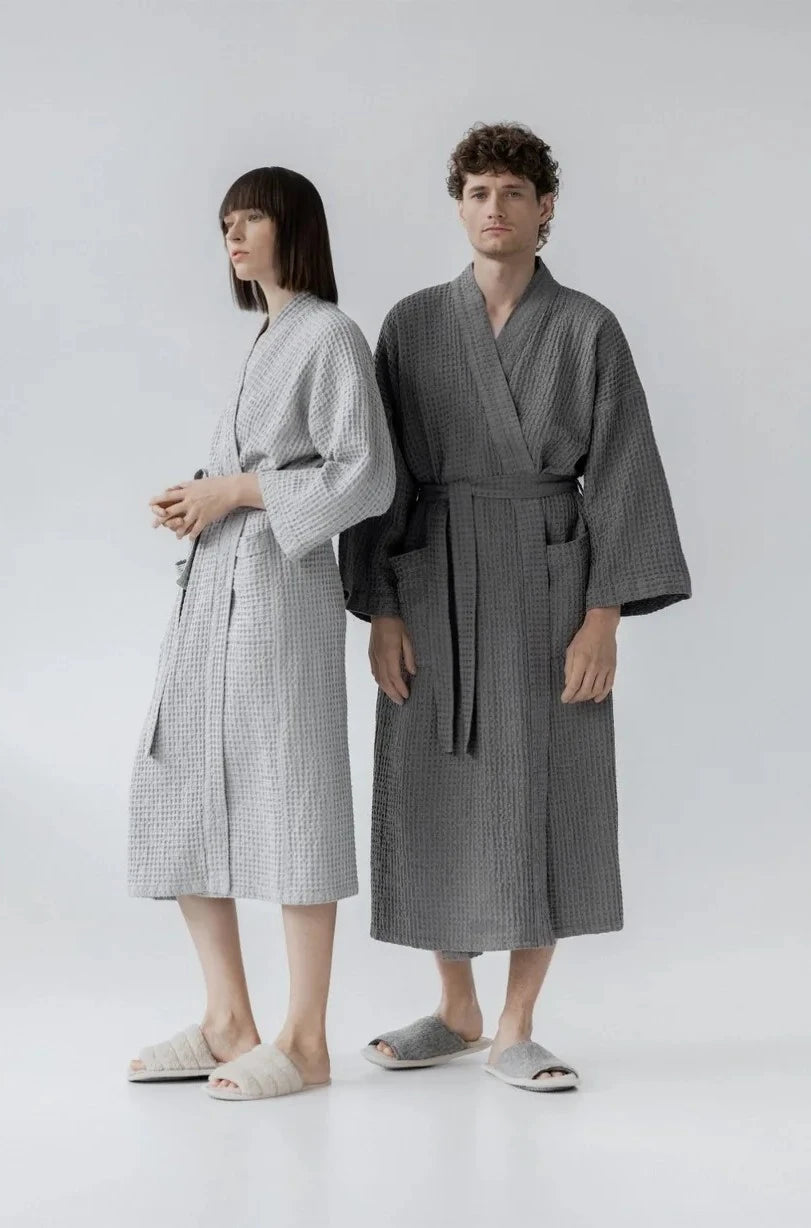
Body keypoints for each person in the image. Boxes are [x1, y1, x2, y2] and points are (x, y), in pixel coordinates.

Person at [338, 122, 691, 1093]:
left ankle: (517, 1025)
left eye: (512, 192)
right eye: (477, 192)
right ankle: (455, 1006)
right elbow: (381, 475)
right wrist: (382, 607)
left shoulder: (586, 328)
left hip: (548, 583)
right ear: (459, 206)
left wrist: (604, 615)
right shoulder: (413, 324)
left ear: (545, 209)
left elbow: (621, 472)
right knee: (431, 776)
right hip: (434, 575)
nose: (493, 209)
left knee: (545, 785)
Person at [127, 166, 394, 1101]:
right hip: (215, 593)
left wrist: (236, 491)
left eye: (249, 220)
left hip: (280, 597)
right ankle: (226, 1021)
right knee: (175, 781)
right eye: (224, 224)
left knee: (293, 788)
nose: (232, 237)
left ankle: (306, 1042)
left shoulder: (328, 334)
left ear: (294, 228)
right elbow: (260, 473)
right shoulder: (271, 336)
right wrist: (199, 500)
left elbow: (365, 475)